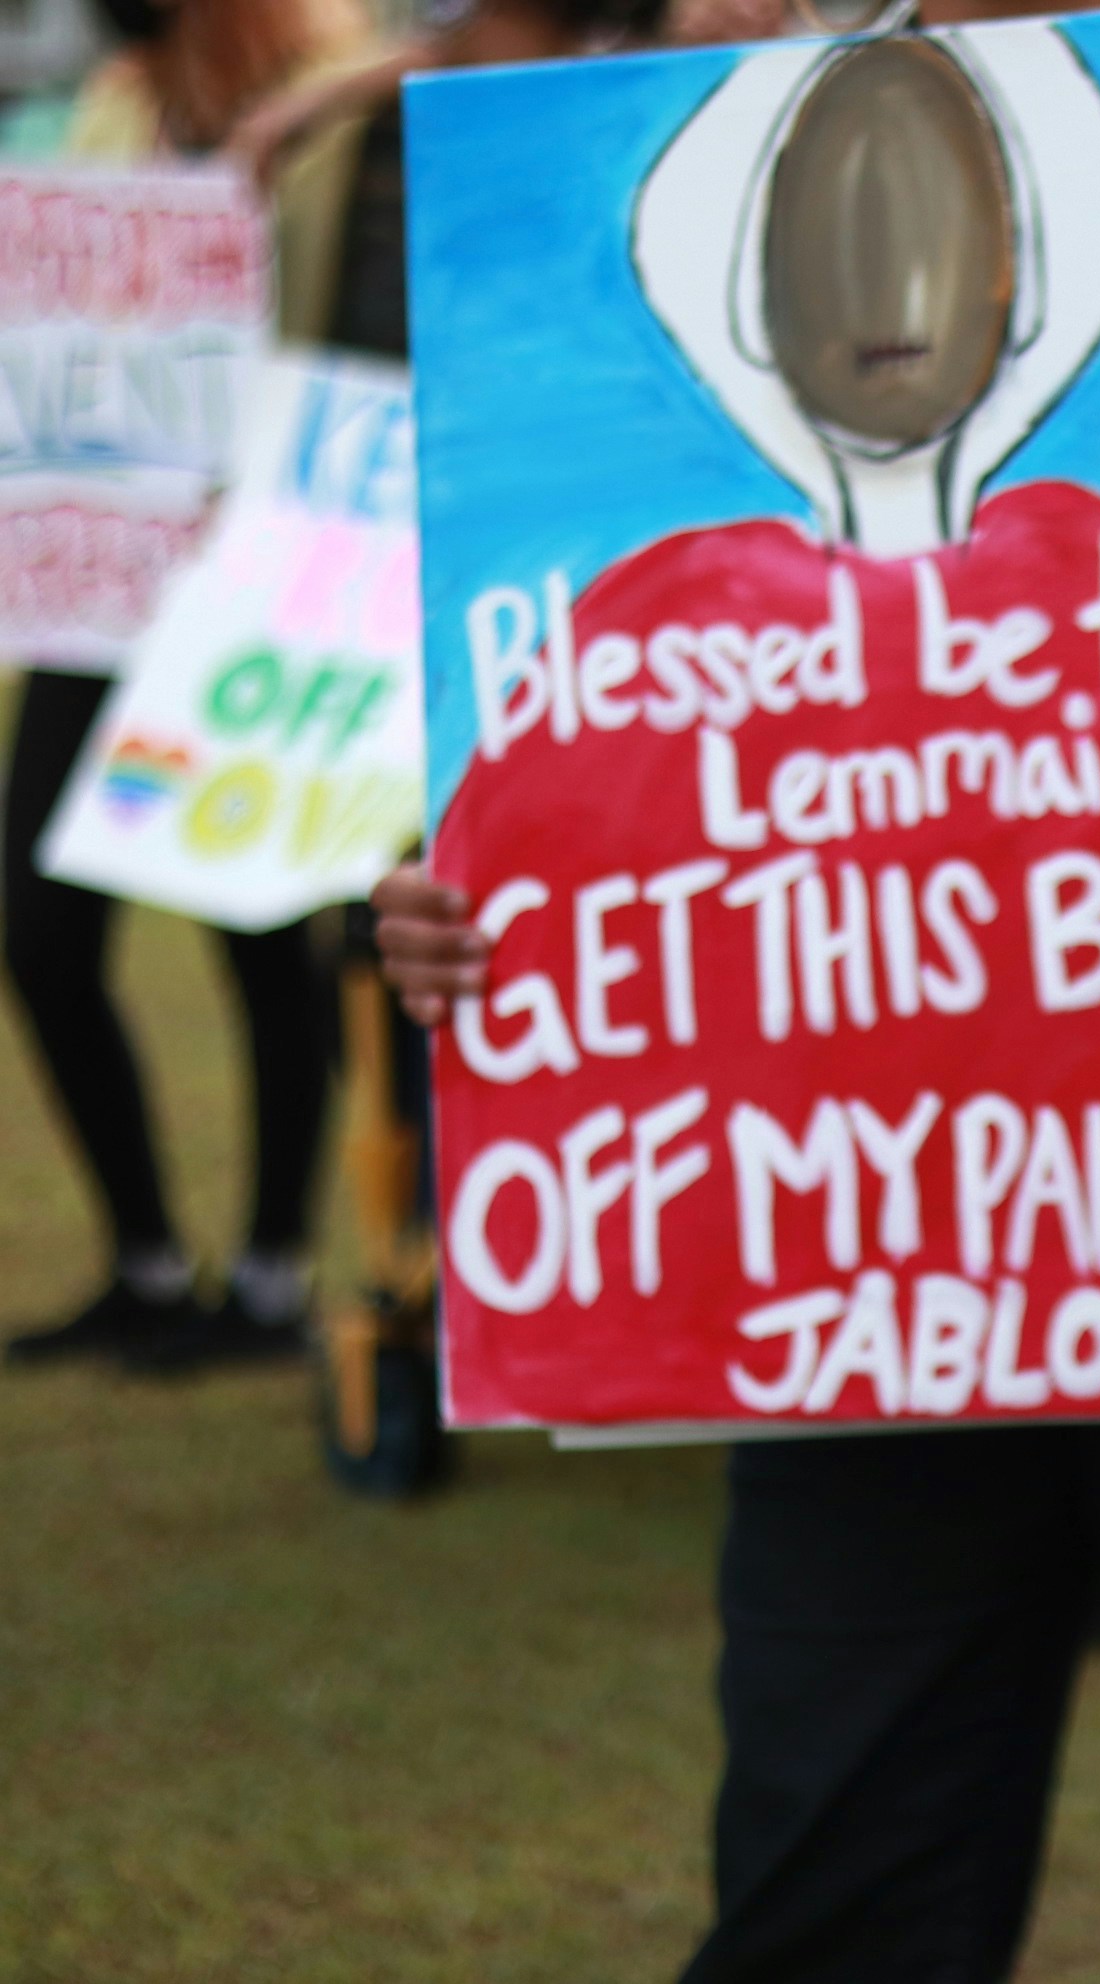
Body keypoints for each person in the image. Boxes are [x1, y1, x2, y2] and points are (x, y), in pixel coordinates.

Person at [373, 4, 1100, 1975]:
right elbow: (585, 778)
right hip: (861, 1285)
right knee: (839, 1884)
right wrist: (483, 916)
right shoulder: (722, 234)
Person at [2, 0, 374, 1373]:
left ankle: (271, 1275)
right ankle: (147, 1258)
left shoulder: (343, 100)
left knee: (256, 923)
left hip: (256, 579)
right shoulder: (113, 111)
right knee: (38, 928)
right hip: (95, 579)